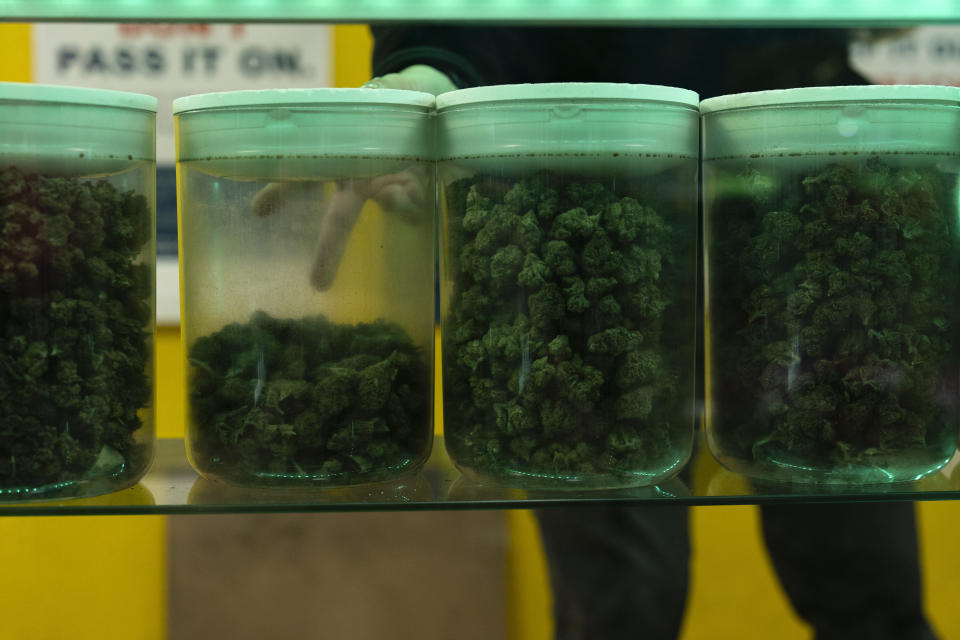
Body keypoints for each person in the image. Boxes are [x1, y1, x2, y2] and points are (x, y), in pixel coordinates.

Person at [278, 25, 937, 639]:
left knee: (865, 577)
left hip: (811, 194)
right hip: (580, 201)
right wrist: (431, 67)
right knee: (624, 598)